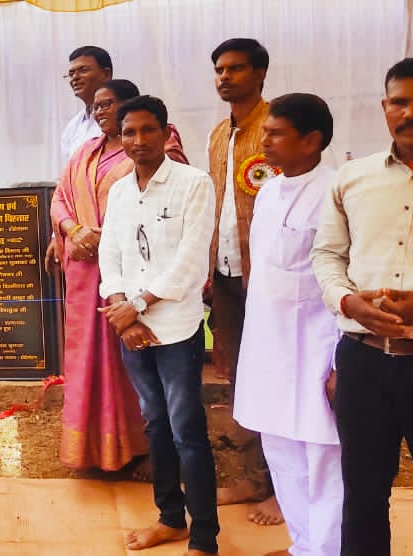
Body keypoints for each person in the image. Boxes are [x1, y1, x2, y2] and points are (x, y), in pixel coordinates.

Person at [312, 56, 413, 556]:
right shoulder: (352, 178)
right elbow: (327, 255)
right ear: (385, 108)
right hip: (363, 362)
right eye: (400, 102)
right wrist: (347, 301)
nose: (412, 112)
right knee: (361, 498)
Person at [98, 95, 218, 556]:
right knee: (155, 426)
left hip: (176, 328)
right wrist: (120, 311)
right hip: (131, 328)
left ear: (167, 134)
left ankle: (204, 536)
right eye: (129, 132)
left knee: (187, 430)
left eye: (149, 130)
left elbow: (191, 261)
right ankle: (170, 519)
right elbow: (110, 254)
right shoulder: (120, 191)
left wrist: (138, 305)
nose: (139, 140)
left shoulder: (193, 183)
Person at [50, 79, 186, 474]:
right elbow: (60, 198)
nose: (100, 112)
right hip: (84, 276)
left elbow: (162, 205)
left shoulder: (161, 150)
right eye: (96, 106)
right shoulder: (85, 152)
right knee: (87, 358)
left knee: (132, 359)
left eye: (108, 104)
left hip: (133, 274)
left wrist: (103, 236)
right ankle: (89, 449)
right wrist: (73, 230)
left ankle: (138, 447)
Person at [232, 93, 342, 556]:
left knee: (323, 461)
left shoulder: (335, 193)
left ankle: (329, 550)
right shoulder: (269, 191)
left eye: (276, 133)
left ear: (311, 140)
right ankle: (302, 546)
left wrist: (340, 363)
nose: (265, 141)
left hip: (317, 348)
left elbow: (345, 278)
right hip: (268, 346)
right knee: (280, 452)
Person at [206, 37, 281, 524]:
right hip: (227, 275)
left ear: (260, 74)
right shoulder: (218, 134)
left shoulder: (277, 126)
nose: (224, 77)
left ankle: (284, 487)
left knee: (280, 376)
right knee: (239, 376)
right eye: (219, 69)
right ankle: (253, 478)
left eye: (235, 68)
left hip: (272, 277)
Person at [60, 46, 113, 163]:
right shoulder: (72, 127)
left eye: (83, 70)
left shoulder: (123, 118)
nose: (75, 78)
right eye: (71, 74)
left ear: (106, 74)